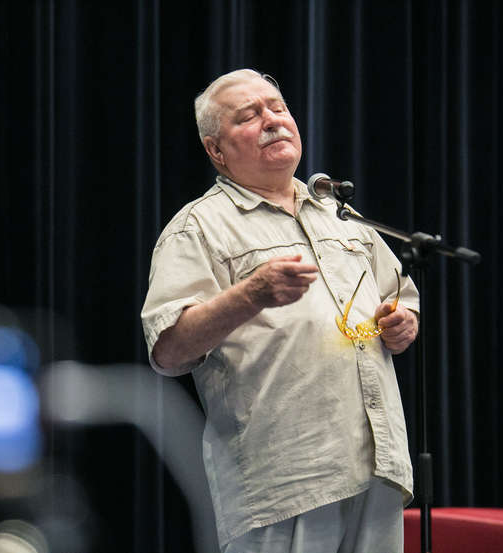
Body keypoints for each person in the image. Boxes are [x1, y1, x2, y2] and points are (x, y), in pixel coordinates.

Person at [141, 69, 420, 553]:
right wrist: (252, 294)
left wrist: (401, 323)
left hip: (377, 463)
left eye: (278, 108)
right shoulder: (198, 228)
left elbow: (400, 299)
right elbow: (169, 349)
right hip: (285, 479)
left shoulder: (341, 215)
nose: (272, 121)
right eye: (249, 116)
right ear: (216, 150)